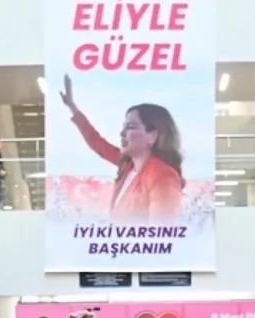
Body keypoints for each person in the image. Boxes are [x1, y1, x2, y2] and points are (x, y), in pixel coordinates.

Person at [58, 74, 184, 223]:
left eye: (131, 127)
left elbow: (161, 233)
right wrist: (72, 107)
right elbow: (97, 143)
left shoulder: (162, 176)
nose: (122, 133)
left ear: (152, 136)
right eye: (123, 127)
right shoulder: (128, 165)